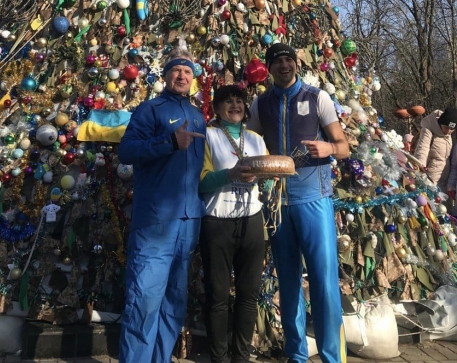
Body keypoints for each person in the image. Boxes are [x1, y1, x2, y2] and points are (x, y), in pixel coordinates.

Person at [247, 43, 349, 363]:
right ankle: (296, 354)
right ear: (269, 68)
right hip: (278, 204)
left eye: (289, 60)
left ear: (297, 64)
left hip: (314, 200)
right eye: (277, 61)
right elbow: (250, 146)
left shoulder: (317, 97)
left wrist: (329, 149)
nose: (284, 65)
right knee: (288, 281)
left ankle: (333, 357)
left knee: (323, 280)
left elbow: (344, 146)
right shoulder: (260, 104)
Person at [118, 52, 206, 363]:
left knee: (174, 302)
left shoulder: (199, 117)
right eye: (176, 71)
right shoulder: (150, 109)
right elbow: (126, 151)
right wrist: (168, 142)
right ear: (166, 76)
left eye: (187, 71)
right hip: (155, 221)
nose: (182, 76)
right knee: (144, 299)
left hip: (188, 221)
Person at [199, 85, 268, 363]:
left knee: (248, 294)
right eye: (228, 101)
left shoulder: (255, 139)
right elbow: (201, 181)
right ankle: (219, 357)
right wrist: (230, 174)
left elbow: (267, 173)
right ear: (216, 108)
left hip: (251, 220)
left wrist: (262, 175)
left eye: (239, 101)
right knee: (217, 295)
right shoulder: (209, 136)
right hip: (218, 222)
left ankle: (241, 356)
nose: (235, 106)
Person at [413, 108, 457, 194]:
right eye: (446, 127)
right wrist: (420, 165)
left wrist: (451, 185)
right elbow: (422, 149)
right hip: (429, 179)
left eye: (452, 129)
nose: (448, 131)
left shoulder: (448, 136)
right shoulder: (428, 131)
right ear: (440, 123)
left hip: (443, 181)